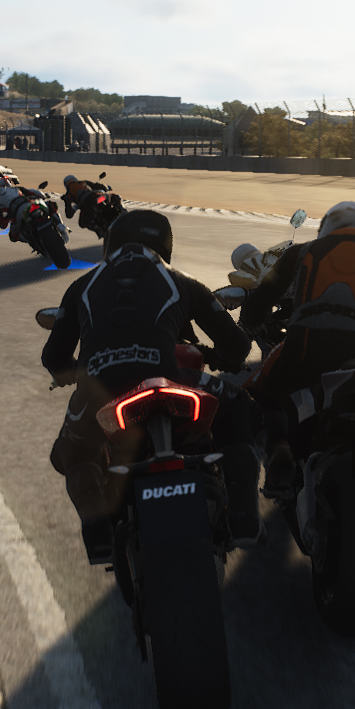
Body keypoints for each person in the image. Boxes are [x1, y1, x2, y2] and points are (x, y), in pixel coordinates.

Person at [41, 210, 262, 563]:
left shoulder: (82, 286)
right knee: (239, 406)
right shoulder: (181, 280)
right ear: (165, 244)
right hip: (170, 381)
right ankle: (244, 515)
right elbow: (238, 346)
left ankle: (96, 530)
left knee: (73, 451)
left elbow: (53, 357)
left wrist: (77, 373)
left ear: (111, 242)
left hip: (102, 394)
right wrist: (220, 356)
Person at [241, 201, 355, 486]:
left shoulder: (298, 254)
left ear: (328, 226)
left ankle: (279, 449)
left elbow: (256, 306)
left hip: (300, 351)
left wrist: (250, 326)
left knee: (253, 394)